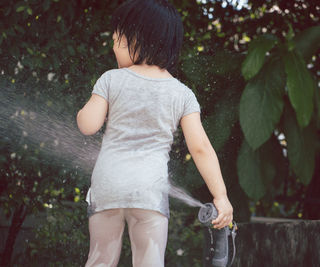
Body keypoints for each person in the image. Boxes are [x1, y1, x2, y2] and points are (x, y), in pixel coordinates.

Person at [76, 0, 233, 266]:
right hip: (149, 192)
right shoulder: (182, 94)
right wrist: (220, 196)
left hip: (108, 187)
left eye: (118, 40)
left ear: (137, 38)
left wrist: (84, 111)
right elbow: (201, 149)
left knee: (100, 259)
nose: (113, 46)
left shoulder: (111, 79)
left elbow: (87, 125)